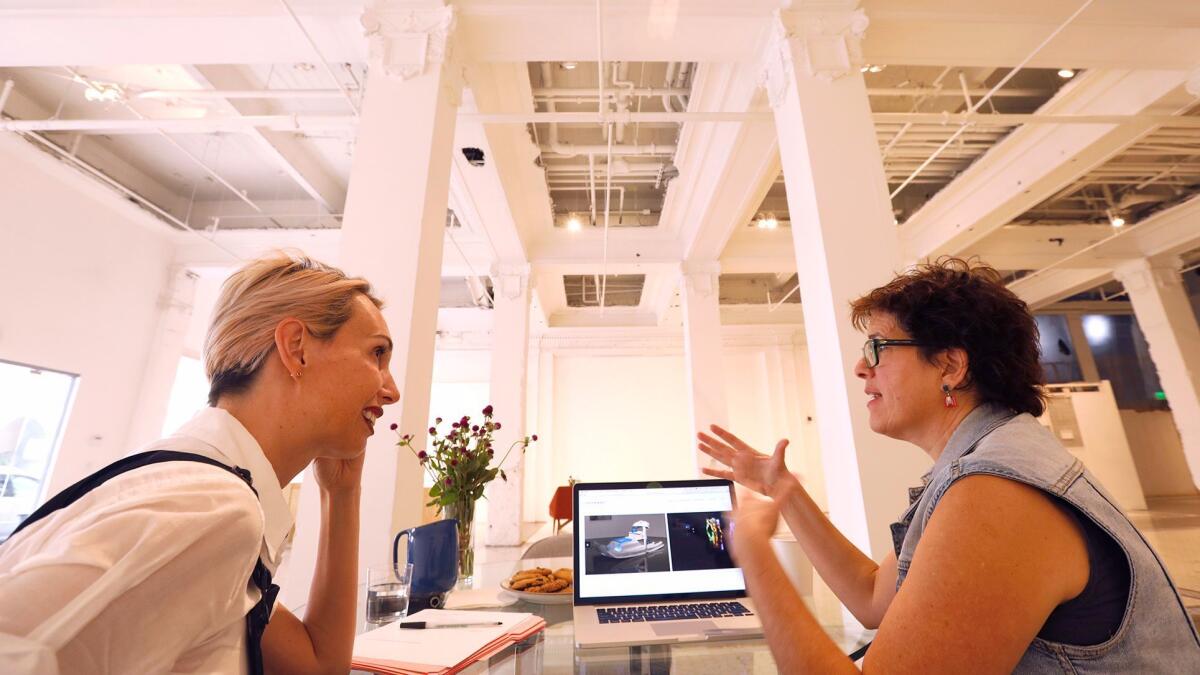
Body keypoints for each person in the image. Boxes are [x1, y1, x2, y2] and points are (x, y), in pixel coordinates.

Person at [700, 258, 1200, 673]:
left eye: (877, 347)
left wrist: (752, 554)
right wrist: (782, 489)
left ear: (951, 366)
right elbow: (874, 598)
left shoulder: (997, 492)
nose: (860, 367)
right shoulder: (986, 459)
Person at [0, 253, 398, 674]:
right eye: (376, 354)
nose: (391, 391)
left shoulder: (212, 492)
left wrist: (342, 493)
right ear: (296, 349)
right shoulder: (214, 506)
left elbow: (316, 666)